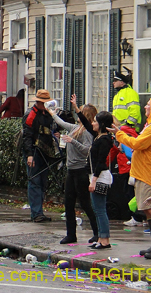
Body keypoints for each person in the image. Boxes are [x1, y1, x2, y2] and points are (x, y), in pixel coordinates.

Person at [110, 97, 151, 259]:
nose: (145, 107)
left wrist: (119, 134)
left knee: (150, 208)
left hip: (149, 174)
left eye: (149, 105)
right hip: (143, 173)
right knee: (146, 208)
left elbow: (137, 144)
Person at [49, 94, 98, 244]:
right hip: (71, 169)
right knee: (68, 203)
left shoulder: (87, 133)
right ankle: (71, 234)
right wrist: (52, 113)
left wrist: (72, 142)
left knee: (85, 203)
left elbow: (88, 150)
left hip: (80, 170)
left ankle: (97, 232)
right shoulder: (76, 128)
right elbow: (62, 123)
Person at [22, 89, 59, 222]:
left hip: (45, 151)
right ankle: (36, 213)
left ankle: (39, 212)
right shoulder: (30, 115)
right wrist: (29, 155)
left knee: (43, 182)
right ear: (38, 102)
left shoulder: (48, 114)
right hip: (35, 152)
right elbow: (27, 136)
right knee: (35, 181)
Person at [88, 111, 115, 249]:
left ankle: (105, 239)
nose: (92, 123)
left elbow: (100, 162)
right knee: (96, 208)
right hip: (95, 175)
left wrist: (93, 181)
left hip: (100, 176)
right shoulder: (98, 137)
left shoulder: (104, 140)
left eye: (95, 121)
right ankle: (100, 238)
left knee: (100, 209)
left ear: (102, 124)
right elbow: (87, 125)